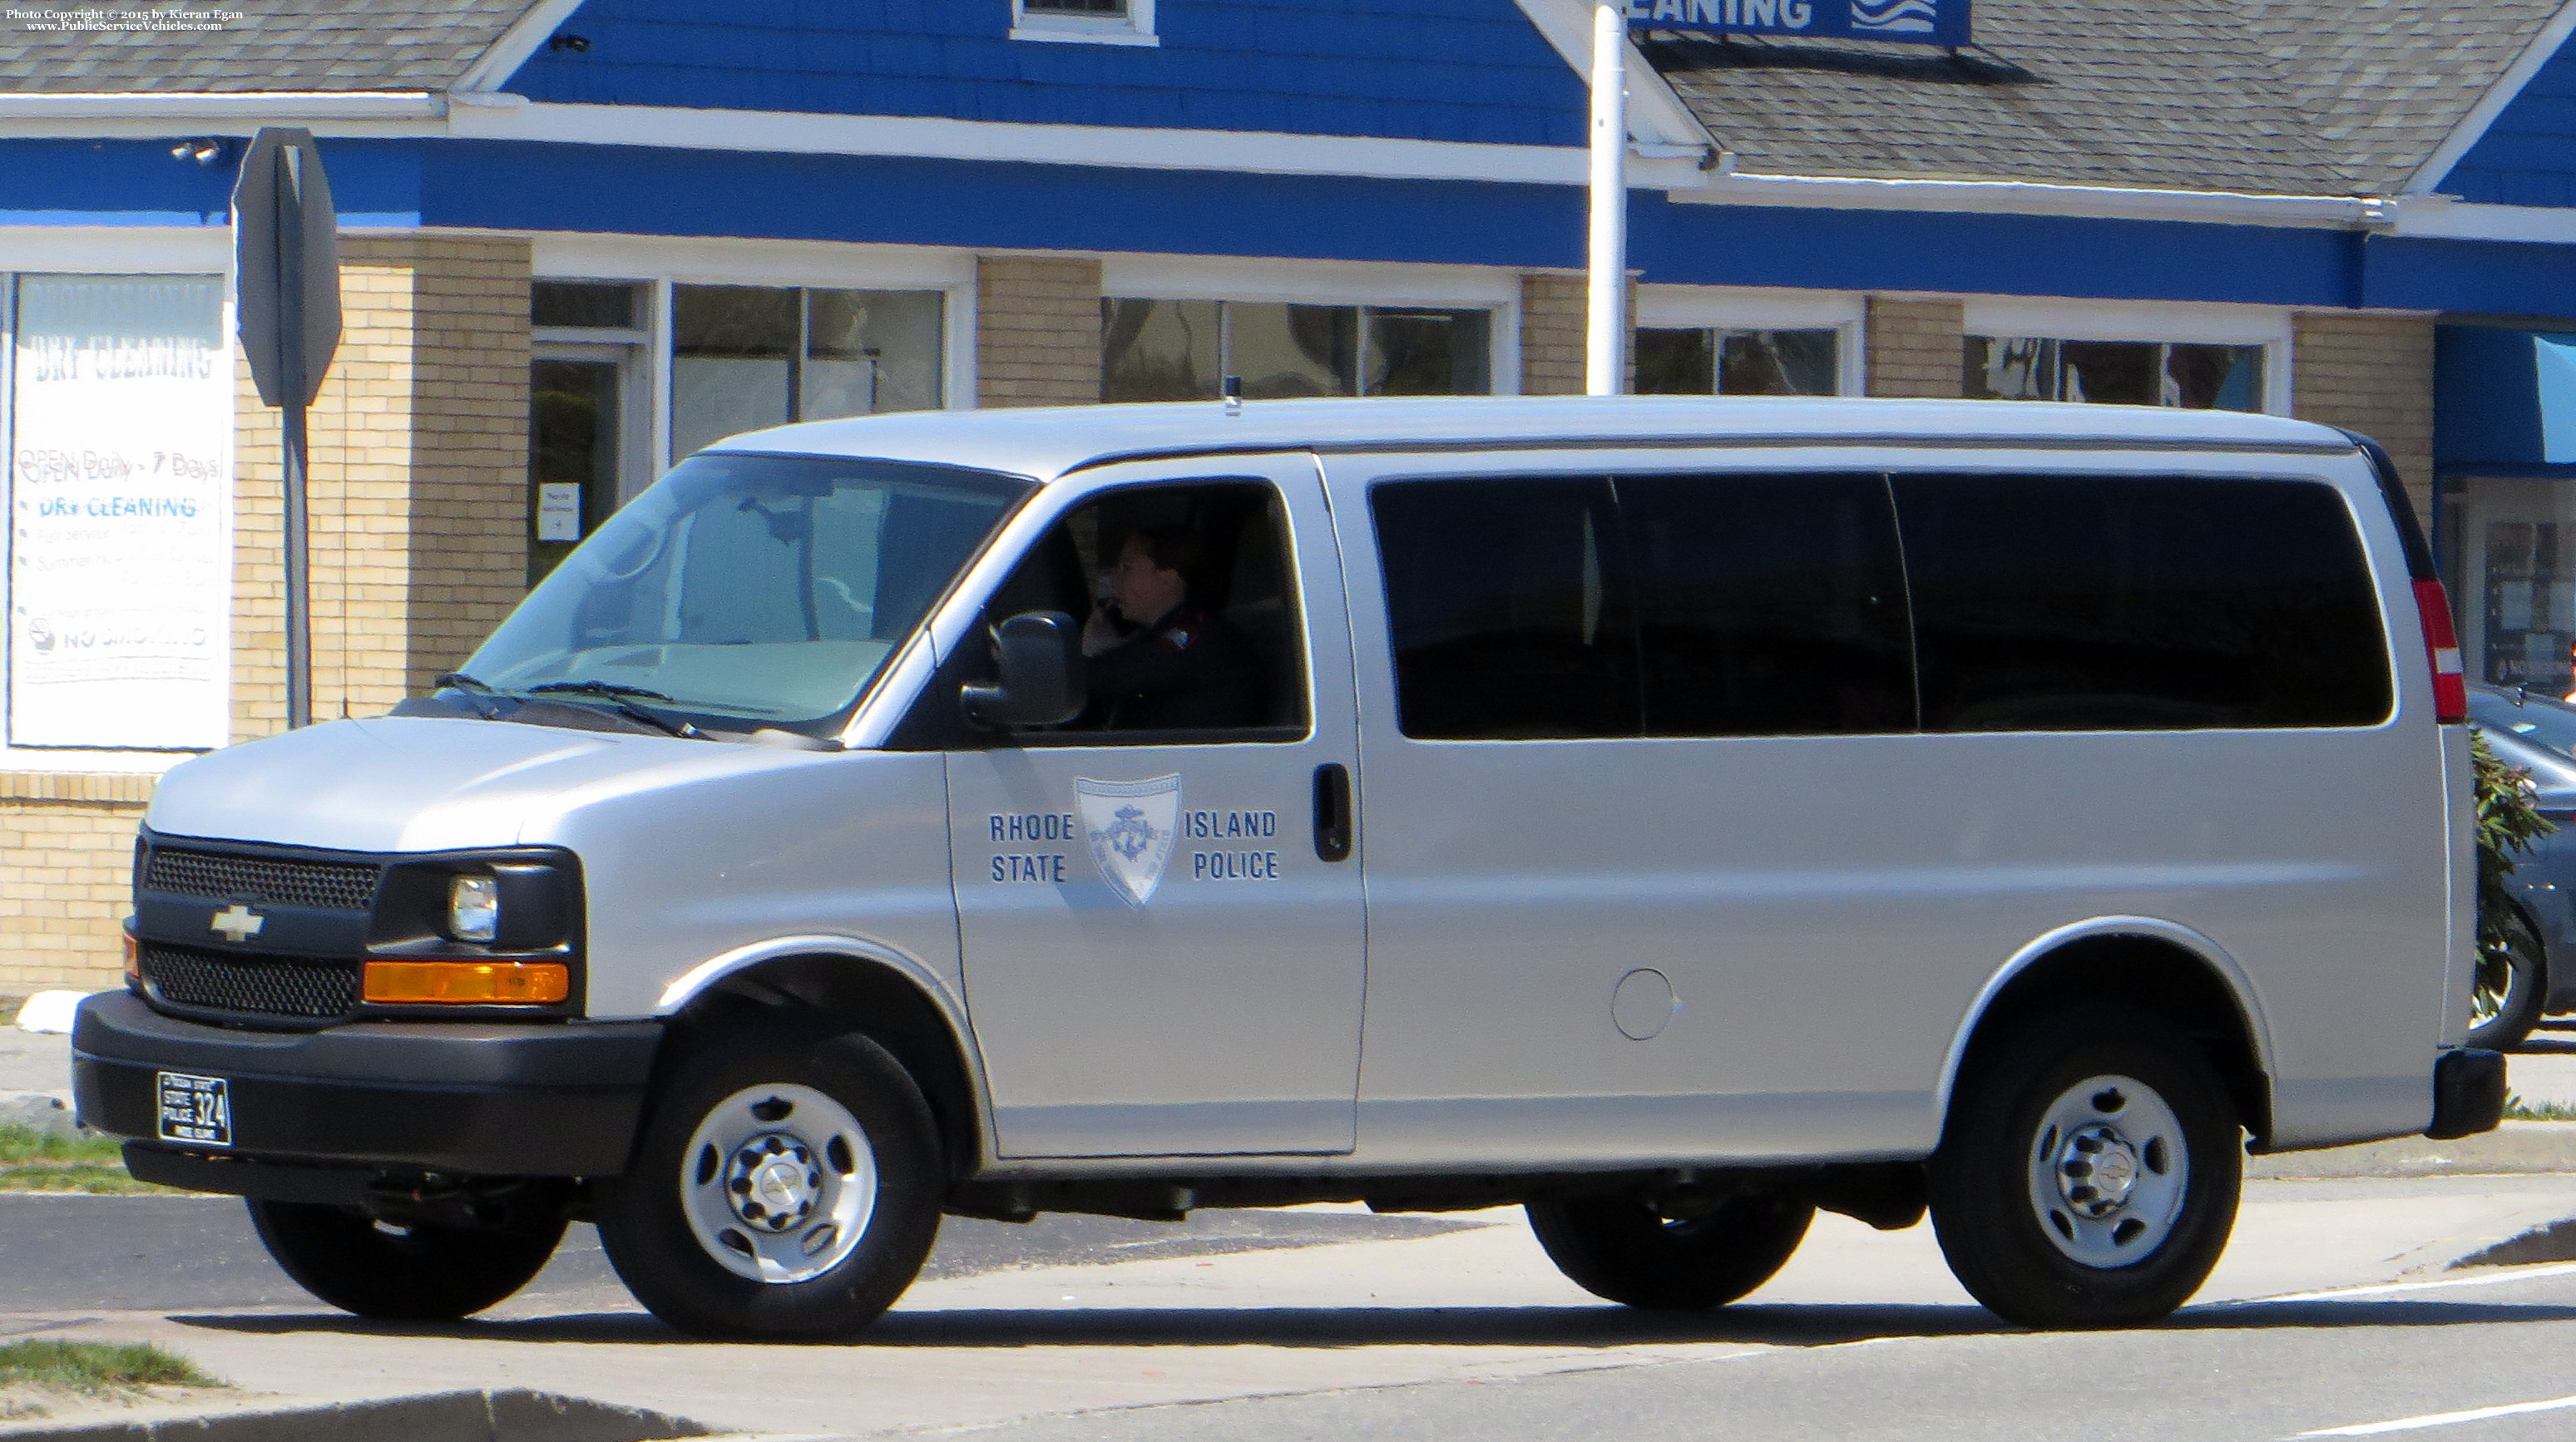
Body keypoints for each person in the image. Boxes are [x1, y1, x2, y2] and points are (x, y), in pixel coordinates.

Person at [1080, 526, 1263, 729]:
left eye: (1126, 568)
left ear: (1167, 579)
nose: (1115, 580)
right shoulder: (1165, 631)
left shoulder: (1194, 639)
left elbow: (1100, 680)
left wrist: (1090, 653)